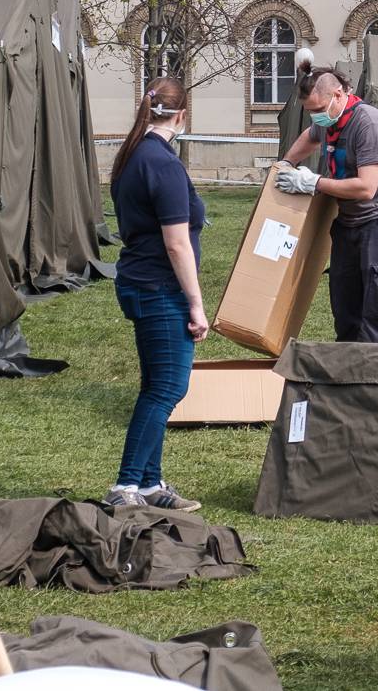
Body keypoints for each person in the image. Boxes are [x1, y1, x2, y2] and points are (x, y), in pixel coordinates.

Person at [104, 77, 207, 512]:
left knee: (157, 387)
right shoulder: (162, 164)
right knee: (167, 389)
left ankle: (149, 485)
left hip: (140, 282)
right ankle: (126, 486)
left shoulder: (133, 154)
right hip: (159, 288)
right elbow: (176, 243)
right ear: (181, 115)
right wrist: (197, 304)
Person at [277, 66, 378, 341]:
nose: (315, 117)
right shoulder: (329, 119)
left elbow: (366, 188)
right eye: (310, 112)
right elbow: (311, 135)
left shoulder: (368, 124)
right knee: (345, 306)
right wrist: (286, 163)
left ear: (338, 95)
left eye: (318, 109)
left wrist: (313, 182)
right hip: (348, 221)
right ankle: (349, 374)